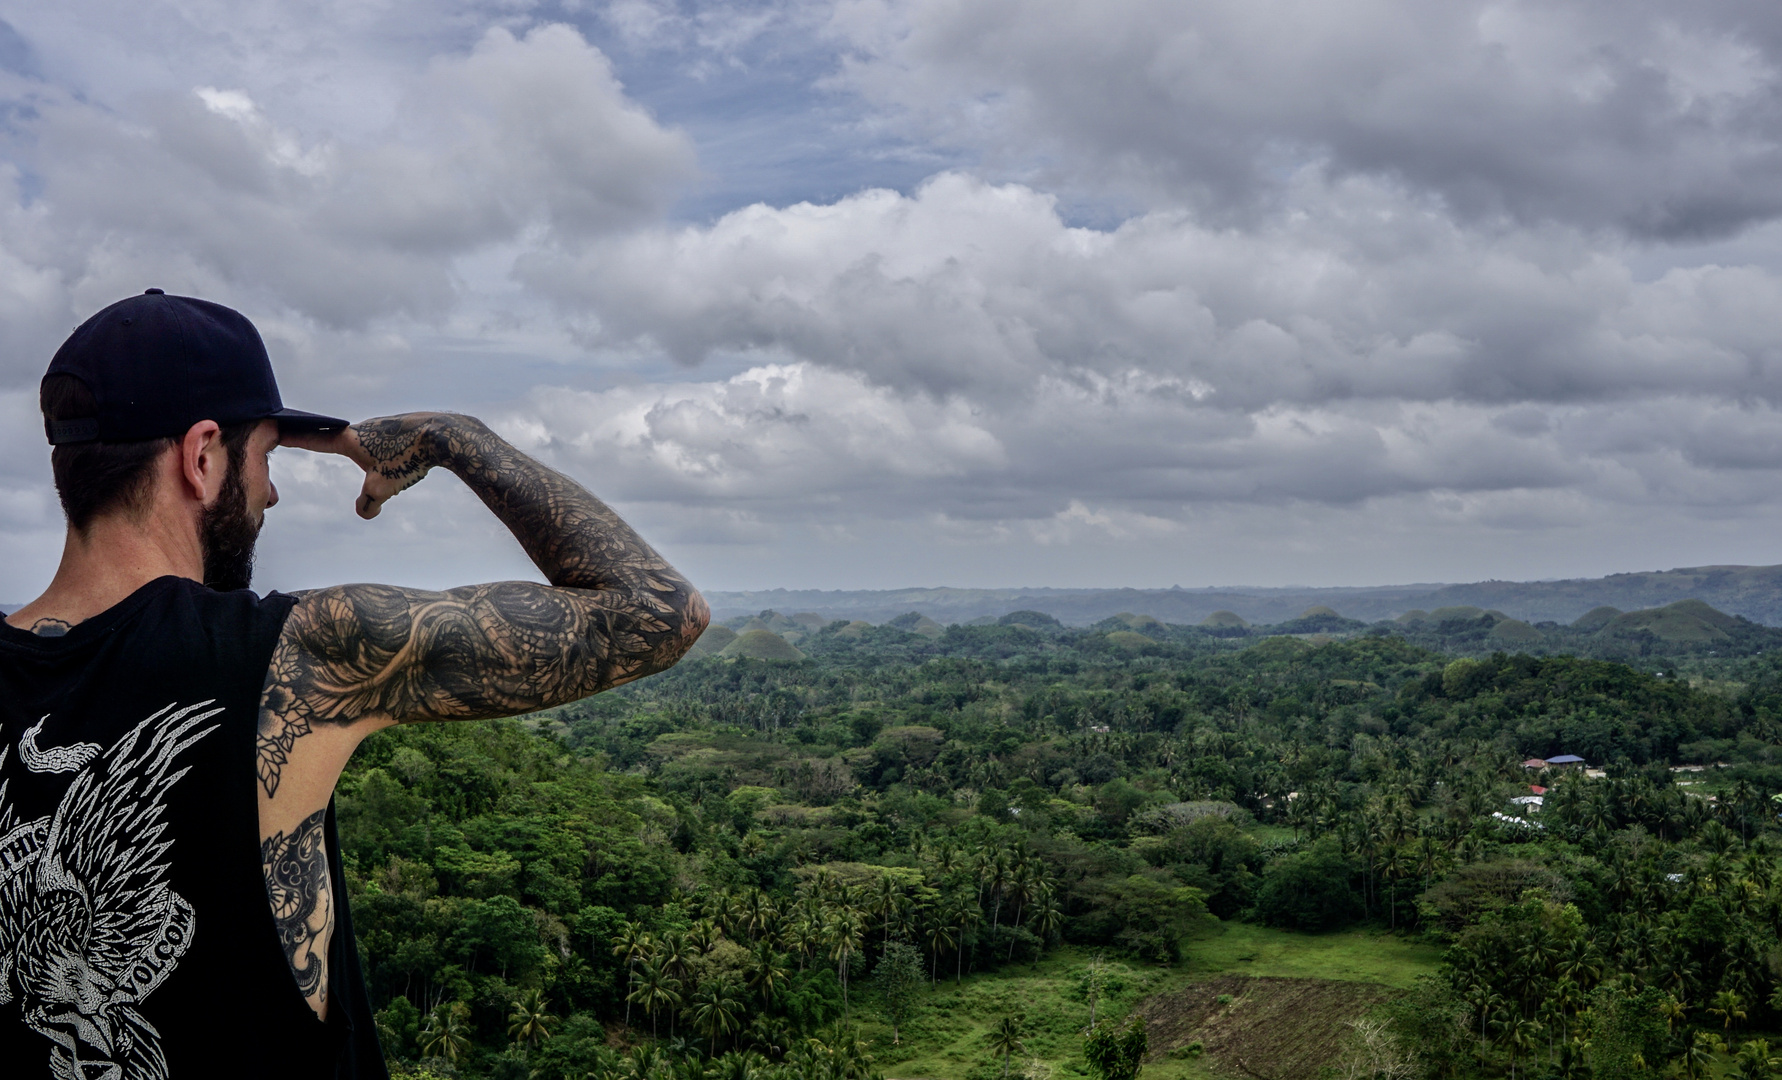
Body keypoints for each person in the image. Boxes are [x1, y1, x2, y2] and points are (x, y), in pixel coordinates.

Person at [0, 290, 709, 1078]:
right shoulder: (291, 658)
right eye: (266, 456)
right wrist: (453, 437)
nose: (270, 492)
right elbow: (657, 611)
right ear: (202, 459)